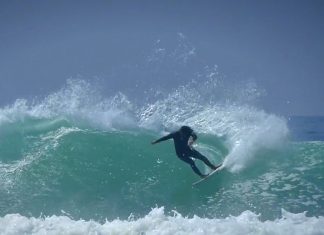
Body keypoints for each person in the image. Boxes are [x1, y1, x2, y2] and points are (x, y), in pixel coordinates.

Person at [151, 126, 221, 178]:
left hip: (188, 150)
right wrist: (156, 141)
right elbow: (165, 138)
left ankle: (213, 167)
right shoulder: (175, 134)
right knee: (192, 162)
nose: (184, 135)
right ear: (181, 132)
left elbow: (195, 136)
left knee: (202, 157)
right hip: (180, 154)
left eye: (185, 134)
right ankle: (201, 175)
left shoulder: (188, 132)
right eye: (183, 134)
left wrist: (191, 141)